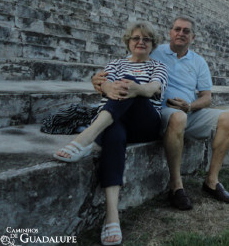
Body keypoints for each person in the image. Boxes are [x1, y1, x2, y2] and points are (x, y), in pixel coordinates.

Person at [92, 16, 229, 211]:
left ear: (193, 37)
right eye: (177, 29)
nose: (180, 33)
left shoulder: (199, 62)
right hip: (164, 111)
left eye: (186, 31)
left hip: (189, 110)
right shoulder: (154, 51)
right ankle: (176, 186)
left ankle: (212, 181)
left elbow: (207, 97)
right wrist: (99, 81)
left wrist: (191, 106)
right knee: (178, 117)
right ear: (170, 32)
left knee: (227, 118)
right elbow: (129, 65)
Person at [53, 21, 168, 246]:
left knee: (130, 84)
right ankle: (111, 216)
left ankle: (87, 136)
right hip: (114, 121)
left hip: (144, 124)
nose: (141, 42)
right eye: (136, 38)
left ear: (152, 44)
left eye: (146, 39)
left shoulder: (158, 66)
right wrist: (107, 87)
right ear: (128, 41)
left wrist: (135, 88)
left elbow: (154, 88)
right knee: (114, 134)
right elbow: (103, 86)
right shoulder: (114, 64)